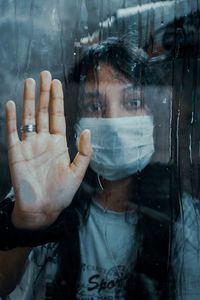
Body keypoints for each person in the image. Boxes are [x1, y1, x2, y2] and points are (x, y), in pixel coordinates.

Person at [0, 33, 199, 300]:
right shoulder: (40, 192)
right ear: (76, 122)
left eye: (133, 102)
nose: (114, 122)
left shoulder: (179, 214)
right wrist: (26, 226)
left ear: (154, 115)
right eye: (94, 106)